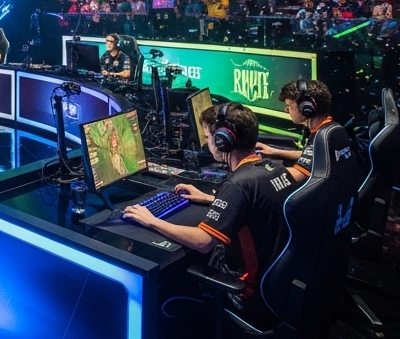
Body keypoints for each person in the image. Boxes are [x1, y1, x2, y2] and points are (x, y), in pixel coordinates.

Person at [122, 102, 299, 309]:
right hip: (276, 285)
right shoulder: (273, 168)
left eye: (208, 137)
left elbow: (203, 242)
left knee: (171, 275)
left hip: (245, 293)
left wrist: (151, 220)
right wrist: (209, 198)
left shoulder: (238, 185)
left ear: (224, 141)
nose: (207, 144)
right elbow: (256, 207)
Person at [255, 80, 347, 185]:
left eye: (289, 105)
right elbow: (311, 156)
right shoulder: (330, 129)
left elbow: (296, 175)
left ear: (306, 107)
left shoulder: (321, 137)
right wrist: (275, 151)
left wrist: (255, 170)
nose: (286, 110)